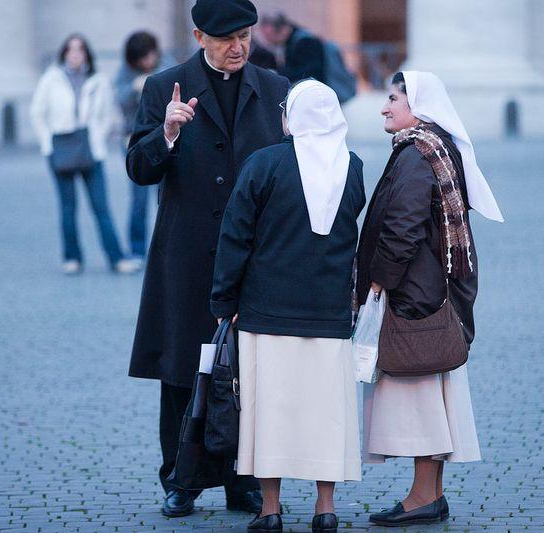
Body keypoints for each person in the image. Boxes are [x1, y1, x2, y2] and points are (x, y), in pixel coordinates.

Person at [125, 0, 290, 519]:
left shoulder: (275, 89)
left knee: (249, 370)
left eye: (244, 35)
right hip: (187, 255)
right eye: (225, 38)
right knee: (182, 371)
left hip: (254, 259)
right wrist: (167, 133)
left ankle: (243, 480)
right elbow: (137, 168)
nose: (237, 46)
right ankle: (180, 480)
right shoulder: (163, 88)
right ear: (199, 36)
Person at [211, 79, 365, 533]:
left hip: (266, 309)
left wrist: (224, 299)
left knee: (269, 411)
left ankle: (271, 509)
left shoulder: (264, 164)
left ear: (291, 117)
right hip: (328, 311)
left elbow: (235, 236)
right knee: (327, 411)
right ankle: (325, 508)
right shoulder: (351, 167)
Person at [355, 71, 504, 527]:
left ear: (418, 105)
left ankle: (423, 497)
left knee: (419, 393)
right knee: (434, 393)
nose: (385, 106)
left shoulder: (418, 154)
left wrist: (376, 284)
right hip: (431, 291)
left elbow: (402, 227)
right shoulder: (431, 148)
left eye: (394, 98)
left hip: (414, 296)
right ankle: (429, 495)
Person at [30, 34, 139, 275]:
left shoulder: (98, 81)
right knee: (68, 207)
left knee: (101, 206)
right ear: (64, 53)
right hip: (60, 148)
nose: (75, 54)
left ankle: (116, 258)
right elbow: (38, 112)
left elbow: (110, 113)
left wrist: (98, 134)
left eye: (80, 50)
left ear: (87, 54)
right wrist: (47, 143)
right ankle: (72, 257)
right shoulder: (51, 79)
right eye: (71, 50)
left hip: (91, 149)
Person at [114, 31, 176, 267]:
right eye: (143, 57)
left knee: (168, 195)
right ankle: (138, 250)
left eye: (151, 55)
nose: (148, 61)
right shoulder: (126, 71)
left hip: (166, 137)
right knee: (138, 199)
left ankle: (168, 248)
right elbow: (119, 99)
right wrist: (134, 88)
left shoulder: (166, 63)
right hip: (135, 138)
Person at [258, 12, 325, 84]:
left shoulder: (305, 42)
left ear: (281, 30)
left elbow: (309, 73)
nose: (268, 40)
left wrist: (278, 75)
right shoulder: (292, 42)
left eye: (269, 35)